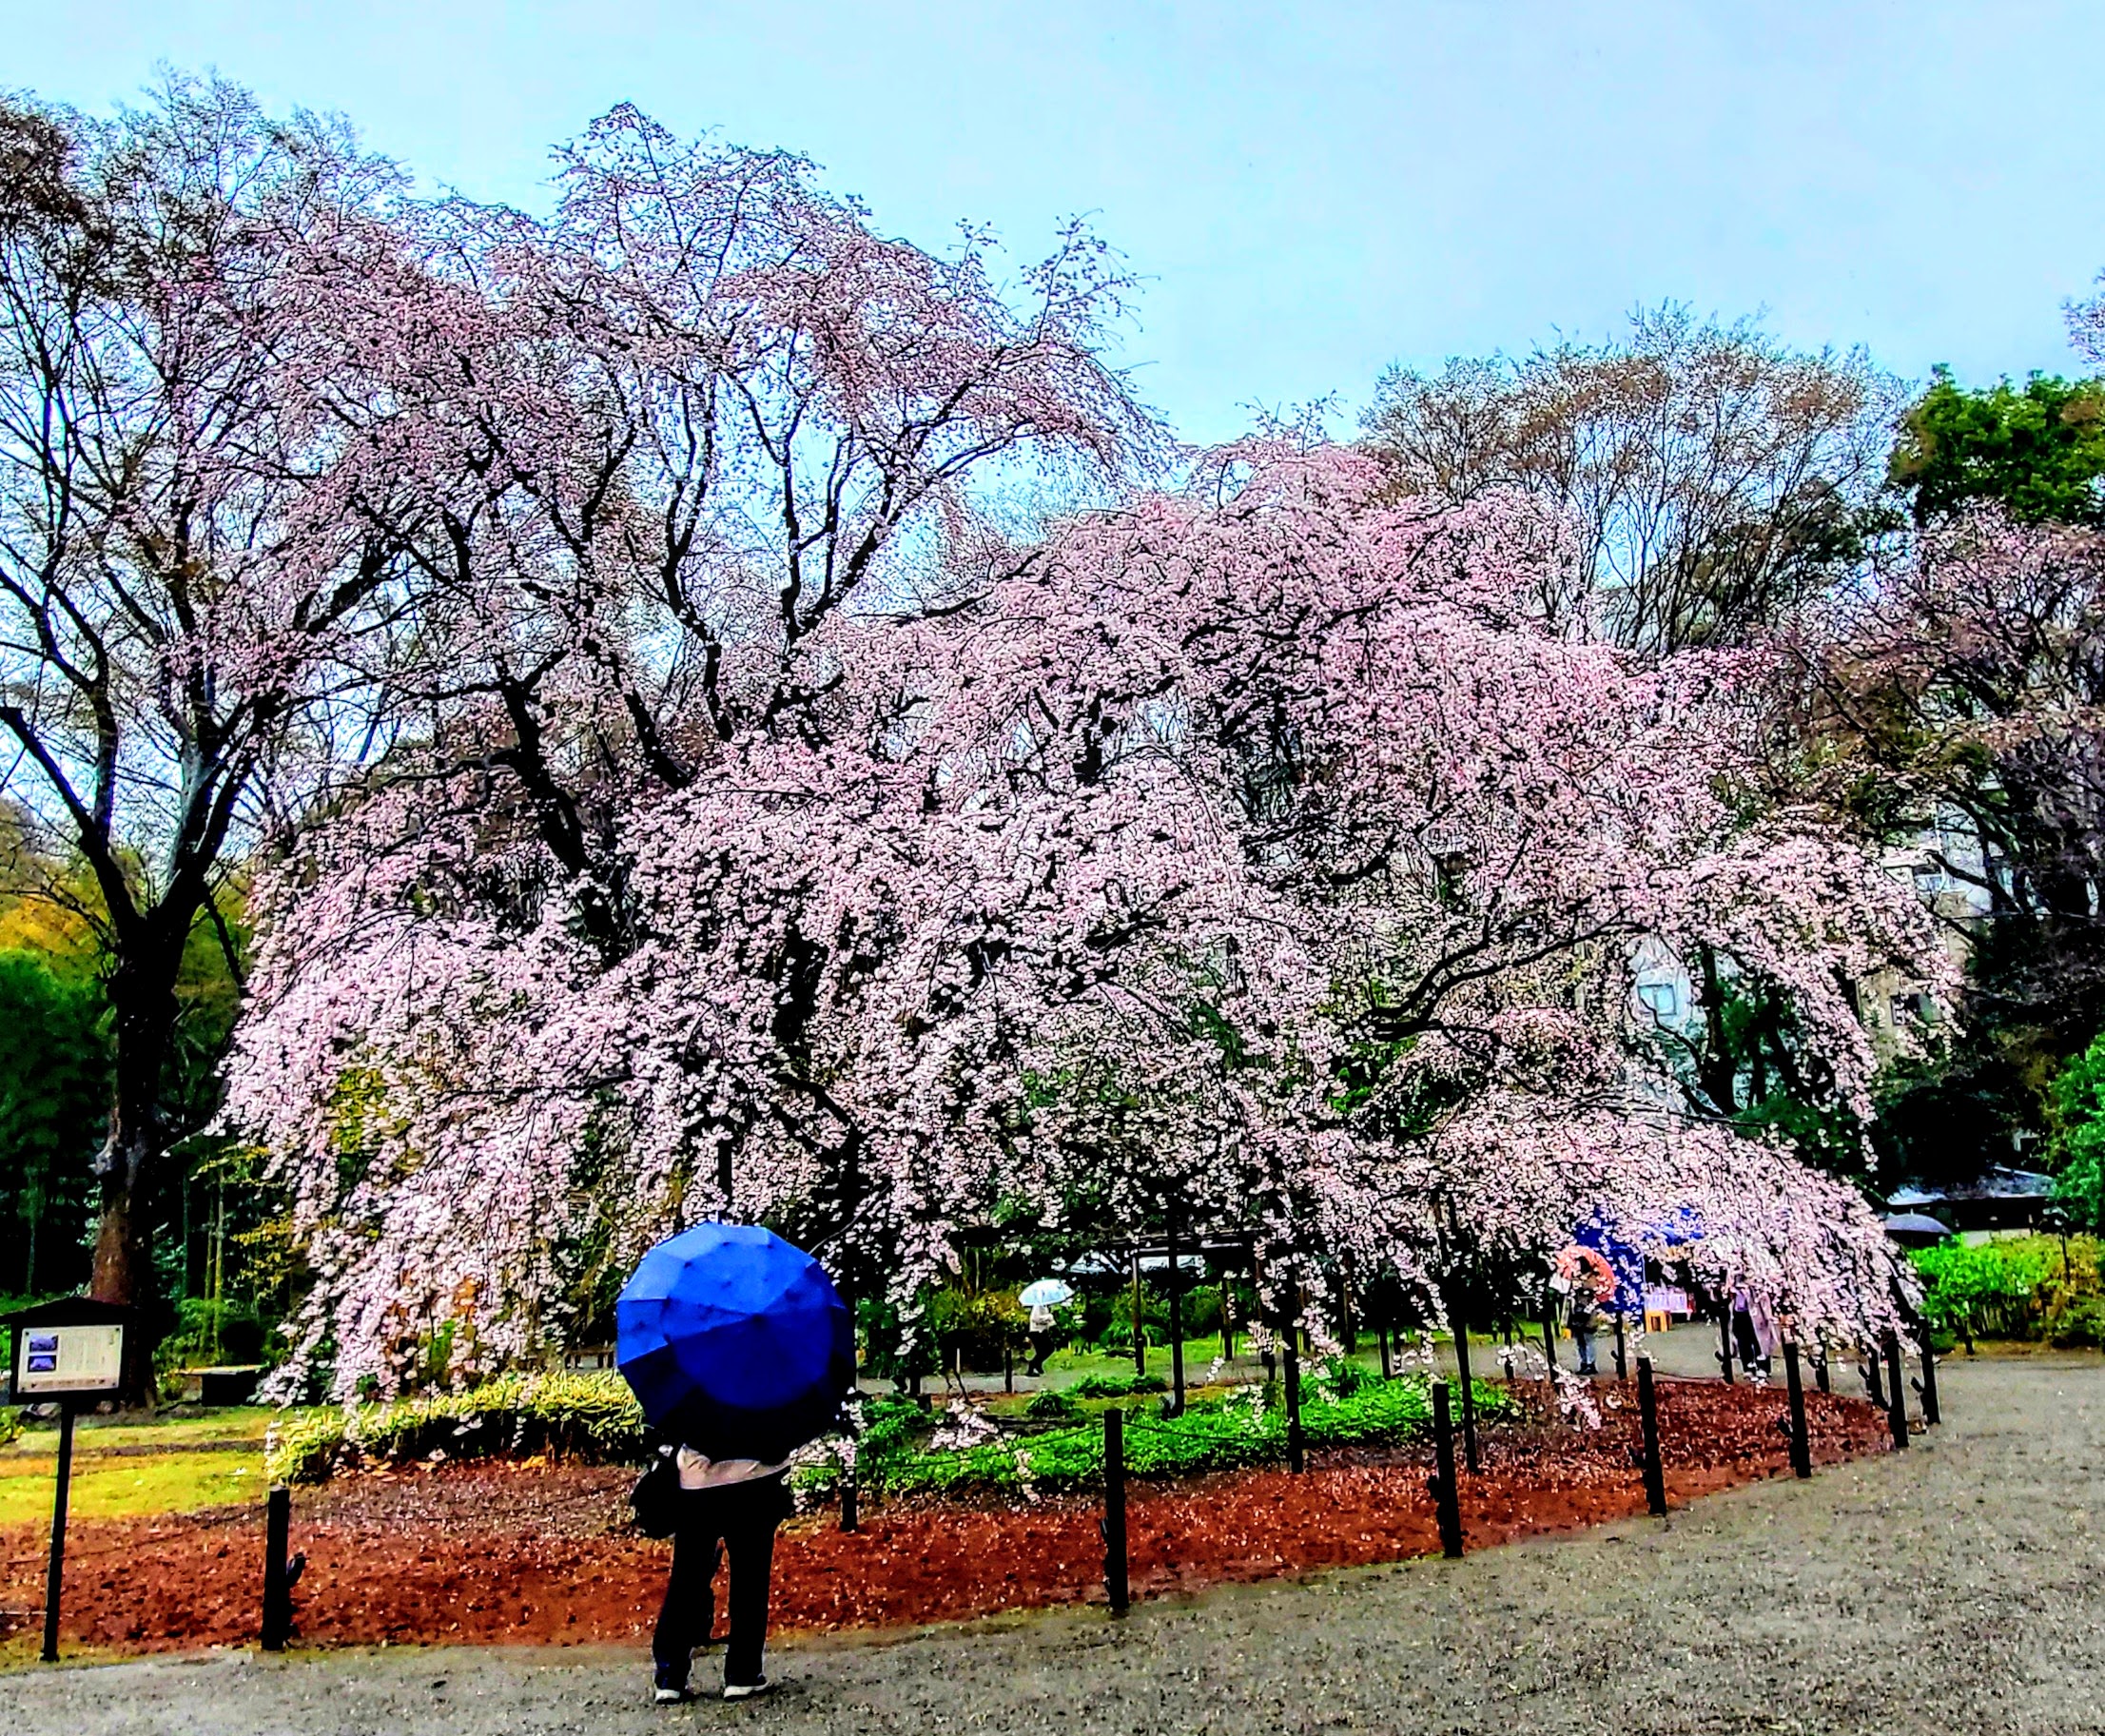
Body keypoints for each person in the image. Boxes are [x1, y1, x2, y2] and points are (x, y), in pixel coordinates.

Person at [653, 1446, 793, 1703]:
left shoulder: (695, 1403)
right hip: (754, 1478)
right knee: (750, 1577)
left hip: (697, 1483)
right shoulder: (761, 1401)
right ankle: (743, 1673)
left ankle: (670, 1676)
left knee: (687, 1578)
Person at [1565, 1290, 1600, 1375]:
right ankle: (1584, 1363)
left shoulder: (1590, 1286)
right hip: (1577, 1318)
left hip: (1588, 1318)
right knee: (1580, 1342)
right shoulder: (1574, 1291)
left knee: (1588, 1341)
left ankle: (1590, 1364)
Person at [1025, 1301, 1057, 1376]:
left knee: (1046, 1350)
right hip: (1036, 1331)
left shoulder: (1044, 1306)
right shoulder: (1038, 1306)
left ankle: (1036, 1364)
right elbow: (1034, 1318)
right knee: (1046, 1349)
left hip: (1042, 1331)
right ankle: (1033, 1365)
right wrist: (1048, 1317)